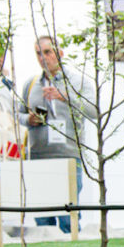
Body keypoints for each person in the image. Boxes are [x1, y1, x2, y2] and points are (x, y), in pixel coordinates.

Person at [17, 35, 95, 233]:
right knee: (43, 218)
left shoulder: (77, 81)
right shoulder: (31, 83)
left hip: (68, 156)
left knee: (68, 215)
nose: (43, 58)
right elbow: (18, 113)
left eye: (47, 52)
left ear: (60, 53)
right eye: (38, 53)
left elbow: (95, 111)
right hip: (39, 156)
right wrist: (29, 120)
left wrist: (65, 97)